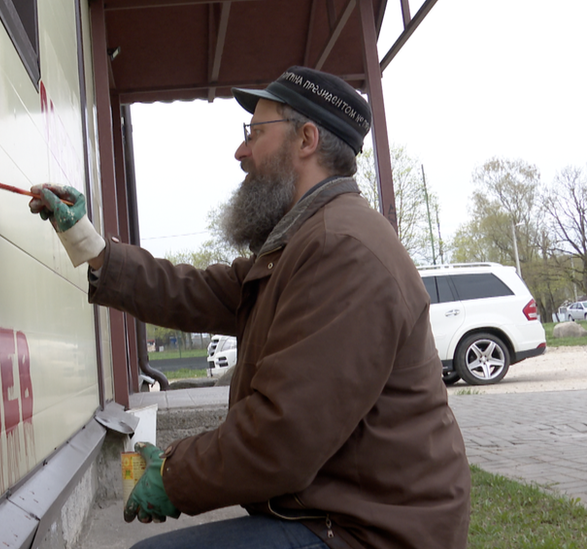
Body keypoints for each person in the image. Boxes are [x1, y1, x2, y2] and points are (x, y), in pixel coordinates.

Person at [29, 66, 470, 549]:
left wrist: (171, 475)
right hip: (337, 513)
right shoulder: (304, 242)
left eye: (255, 132)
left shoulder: (342, 250)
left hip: (373, 533)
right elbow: (195, 292)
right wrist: (90, 244)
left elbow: (283, 436)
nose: (241, 152)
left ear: (306, 140)